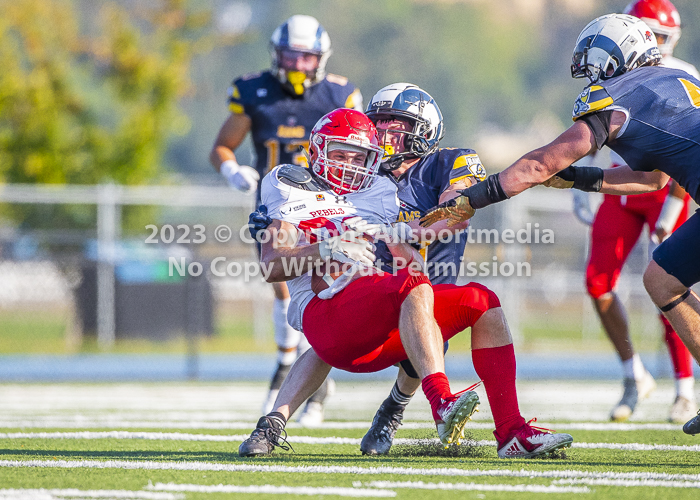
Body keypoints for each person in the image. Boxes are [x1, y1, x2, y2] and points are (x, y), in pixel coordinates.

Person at [419, 13, 700, 434]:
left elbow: (536, 164)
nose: (590, 73)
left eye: (595, 60)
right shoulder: (675, 82)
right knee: (661, 278)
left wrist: (470, 200)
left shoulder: (619, 96)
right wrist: (578, 179)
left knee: (661, 278)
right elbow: (654, 179)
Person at [238, 108, 573, 459]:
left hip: (373, 319)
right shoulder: (290, 184)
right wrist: (330, 245)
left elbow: (410, 265)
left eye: (359, 157)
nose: (349, 164)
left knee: (482, 300)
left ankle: (511, 433)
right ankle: (441, 401)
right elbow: (273, 267)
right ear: (317, 151)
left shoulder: (380, 190)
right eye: (339, 154)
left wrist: (401, 241)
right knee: (409, 284)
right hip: (325, 316)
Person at [209, 14, 363, 425]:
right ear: (277, 55)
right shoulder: (255, 91)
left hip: (326, 206)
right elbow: (223, 146)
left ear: (321, 58)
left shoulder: (340, 94)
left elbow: (364, 148)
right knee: (281, 285)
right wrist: (233, 170)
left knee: (326, 288)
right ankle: (291, 366)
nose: (298, 65)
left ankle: (304, 371)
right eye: (291, 56)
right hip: (275, 206)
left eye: (306, 57)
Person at [571, 0, 698, 424]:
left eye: (659, 35)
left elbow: (682, 152)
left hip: (666, 187)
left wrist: (673, 210)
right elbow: (587, 130)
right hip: (624, 181)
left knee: (667, 279)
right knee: (600, 280)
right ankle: (633, 374)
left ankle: (684, 388)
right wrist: (579, 180)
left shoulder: (680, 74)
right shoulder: (612, 77)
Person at [358, 83, 487, 455]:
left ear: (422, 129)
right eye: (377, 123)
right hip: (377, 281)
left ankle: (392, 411)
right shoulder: (364, 174)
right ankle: (273, 423)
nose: (382, 133)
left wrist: (417, 231)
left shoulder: (450, 161)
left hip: (431, 286)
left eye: (393, 125)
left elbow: (458, 210)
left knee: (428, 344)